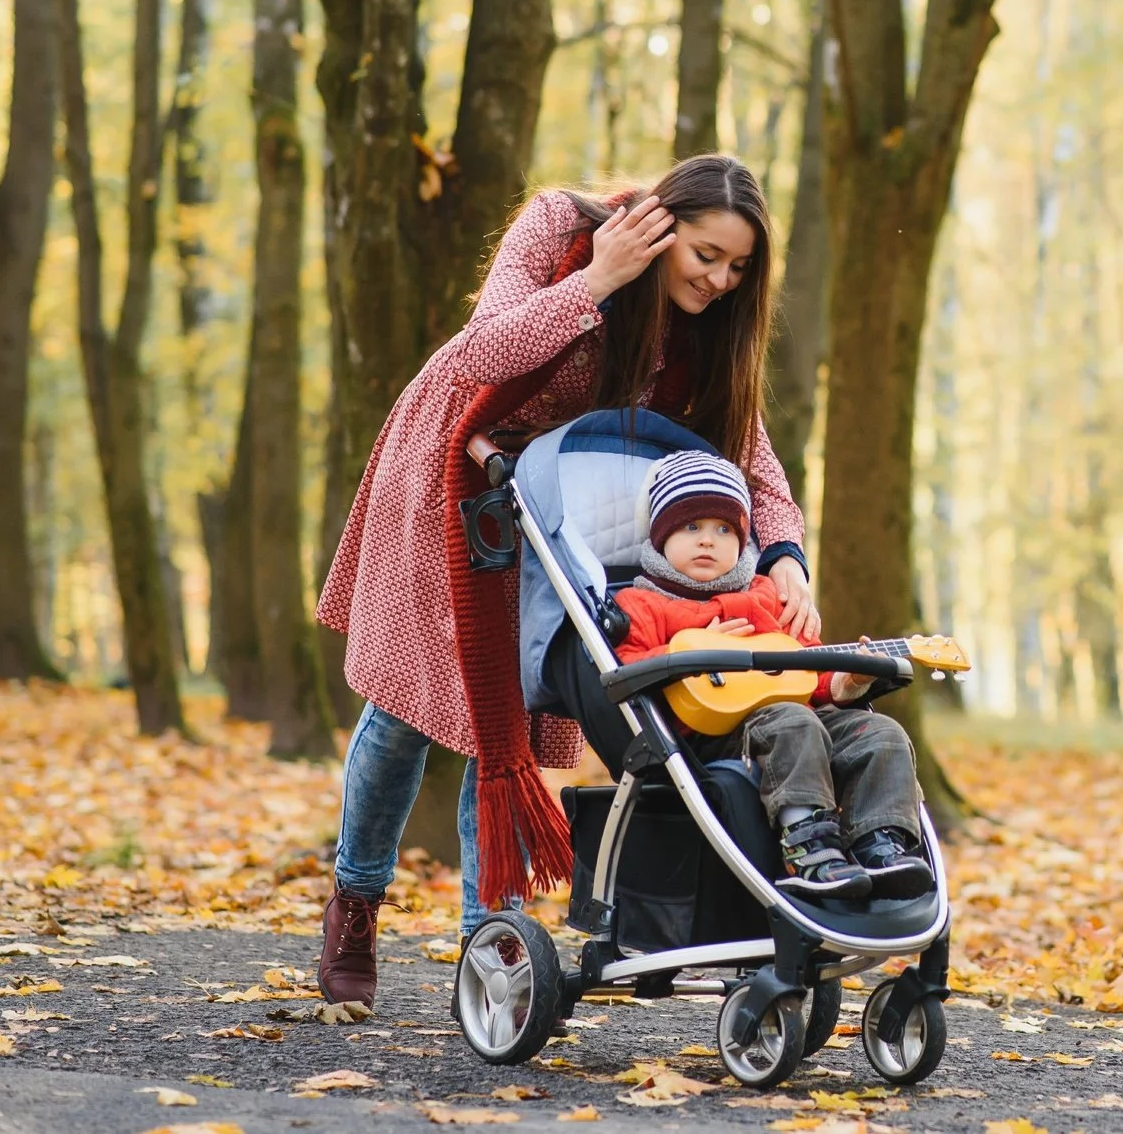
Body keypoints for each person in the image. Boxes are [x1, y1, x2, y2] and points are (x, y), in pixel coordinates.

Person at [313, 155, 817, 1006]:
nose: (720, 280)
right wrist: (598, 278)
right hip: (453, 465)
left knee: (506, 707)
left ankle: (492, 944)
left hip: (555, 498)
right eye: (704, 256)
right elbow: (485, 351)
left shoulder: (708, 329)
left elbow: (754, 463)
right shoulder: (561, 228)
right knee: (406, 710)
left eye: (738, 268)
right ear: (660, 228)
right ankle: (355, 904)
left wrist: (786, 556)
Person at [591, 449, 933, 901]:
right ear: (660, 537)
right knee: (794, 723)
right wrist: (687, 651)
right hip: (712, 733)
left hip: (798, 714)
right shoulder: (643, 604)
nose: (708, 541)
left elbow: (805, 663)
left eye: (724, 529)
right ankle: (809, 847)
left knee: (880, 732)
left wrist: (843, 684)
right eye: (691, 527)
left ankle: (882, 845)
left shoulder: (765, 596)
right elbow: (625, 669)